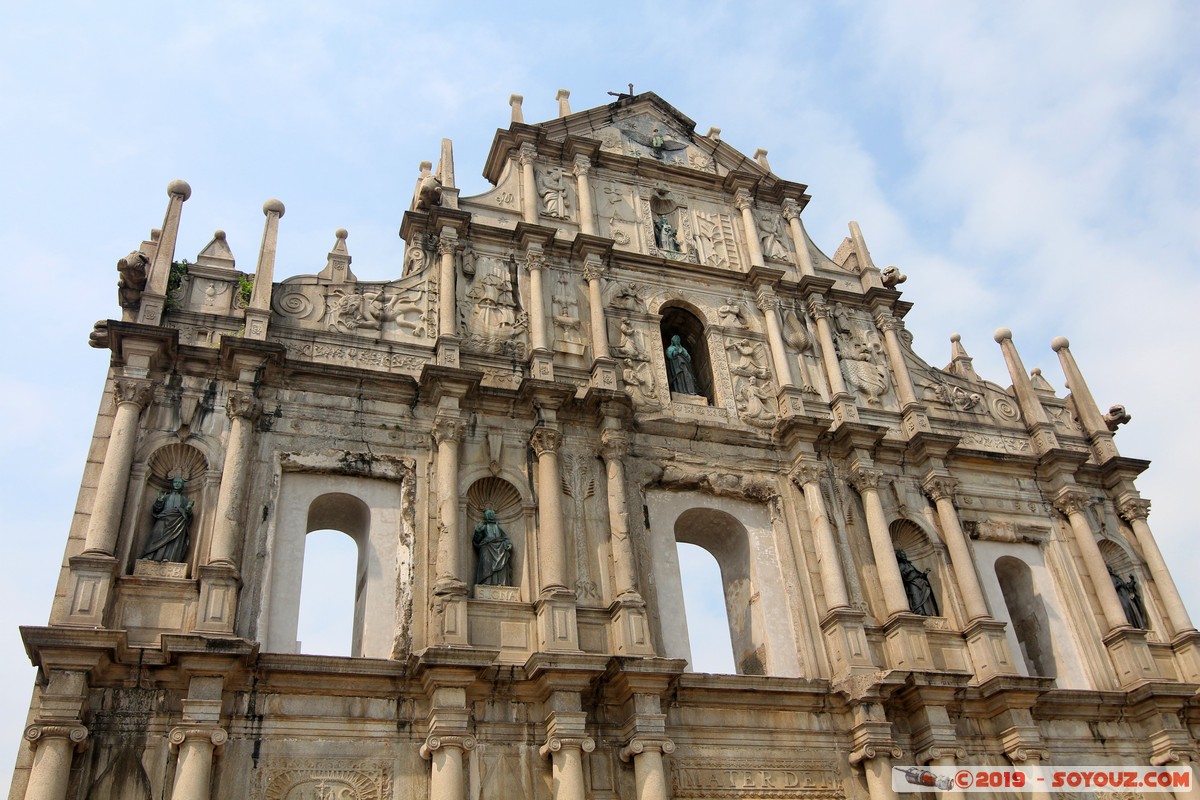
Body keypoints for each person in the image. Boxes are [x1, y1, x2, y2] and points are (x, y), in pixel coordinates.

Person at [140, 477, 194, 563]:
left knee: (173, 541)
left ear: (183, 485)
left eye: (179, 483)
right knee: (156, 536)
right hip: (163, 519)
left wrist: (187, 509)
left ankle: (169, 558)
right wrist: (159, 501)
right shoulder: (166, 497)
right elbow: (156, 510)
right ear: (172, 484)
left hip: (178, 522)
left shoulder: (185, 500)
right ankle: (149, 556)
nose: (177, 484)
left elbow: (188, 516)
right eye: (175, 482)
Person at [473, 508, 513, 586]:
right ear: (486, 516)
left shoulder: (497, 527)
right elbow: (477, 540)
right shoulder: (484, 527)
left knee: (501, 562)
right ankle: (486, 581)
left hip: (500, 546)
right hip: (487, 546)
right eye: (489, 514)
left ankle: (501, 582)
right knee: (486, 563)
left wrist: (508, 544)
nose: (491, 516)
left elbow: (505, 538)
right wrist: (478, 532)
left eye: (492, 514)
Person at [896, 550, 939, 616]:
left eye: (904, 554)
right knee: (916, 598)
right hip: (912, 584)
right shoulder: (901, 565)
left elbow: (917, 574)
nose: (904, 555)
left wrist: (924, 574)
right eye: (902, 554)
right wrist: (908, 570)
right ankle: (919, 611)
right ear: (899, 556)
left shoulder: (909, 564)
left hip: (920, 582)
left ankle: (926, 613)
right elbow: (901, 575)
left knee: (924, 598)